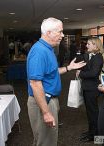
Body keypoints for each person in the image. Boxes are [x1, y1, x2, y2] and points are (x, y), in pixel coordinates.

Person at [26, 17, 86, 146]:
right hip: (43, 101)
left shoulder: (47, 49)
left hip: (49, 99)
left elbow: (51, 72)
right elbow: (35, 83)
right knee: (46, 141)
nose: (62, 35)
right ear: (48, 33)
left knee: (45, 139)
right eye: (60, 32)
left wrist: (68, 68)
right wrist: (46, 112)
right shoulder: (39, 51)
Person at [76, 38, 104, 142]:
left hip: (92, 89)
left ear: (96, 46)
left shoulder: (98, 58)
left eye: (88, 44)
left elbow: (93, 73)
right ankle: (91, 131)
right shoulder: (91, 56)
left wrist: (80, 74)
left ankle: (94, 134)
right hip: (88, 87)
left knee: (93, 112)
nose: (86, 45)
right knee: (90, 112)